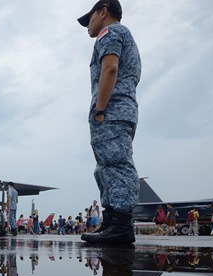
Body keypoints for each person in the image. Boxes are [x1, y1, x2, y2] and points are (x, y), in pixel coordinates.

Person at [78, 0, 141, 245]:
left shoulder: (111, 32)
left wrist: (100, 109)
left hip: (112, 111)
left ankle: (121, 225)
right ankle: (112, 221)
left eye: (89, 18)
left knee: (115, 164)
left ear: (103, 12)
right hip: (121, 111)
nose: (88, 26)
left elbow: (110, 69)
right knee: (107, 165)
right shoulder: (124, 35)